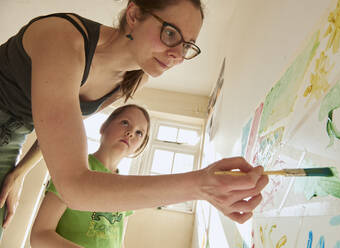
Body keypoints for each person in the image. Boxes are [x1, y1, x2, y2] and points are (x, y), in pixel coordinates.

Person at [0, 0, 269, 239]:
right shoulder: (62, 38)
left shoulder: (128, 80)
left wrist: (18, 173)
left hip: (13, 137)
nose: (177, 55)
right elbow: (74, 187)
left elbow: (51, 128)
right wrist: (201, 186)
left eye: (187, 45)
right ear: (134, 13)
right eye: (170, 33)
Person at [31, 104, 150, 248]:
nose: (131, 132)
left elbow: (118, 241)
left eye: (139, 133)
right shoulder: (73, 170)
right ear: (103, 127)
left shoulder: (128, 188)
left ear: (140, 146)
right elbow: (40, 235)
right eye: (125, 122)